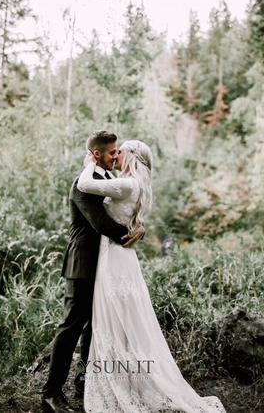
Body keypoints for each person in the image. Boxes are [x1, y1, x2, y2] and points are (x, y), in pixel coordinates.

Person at [77, 139, 227, 413]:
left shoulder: (127, 184)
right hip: (119, 257)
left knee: (115, 320)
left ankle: (123, 383)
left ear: (132, 156)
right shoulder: (133, 184)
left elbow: (85, 185)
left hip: (114, 259)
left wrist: (88, 164)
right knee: (119, 322)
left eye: (120, 151)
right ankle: (125, 380)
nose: (116, 154)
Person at [42, 131, 144, 413]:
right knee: (71, 327)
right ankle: (51, 394)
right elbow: (101, 223)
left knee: (93, 326)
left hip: (102, 265)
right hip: (82, 265)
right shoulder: (83, 185)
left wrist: (139, 230)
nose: (116, 156)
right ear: (96, 154)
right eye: (112, 152)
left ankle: (84, 380)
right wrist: (132, 233)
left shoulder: (108, 180)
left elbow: (125, 212)